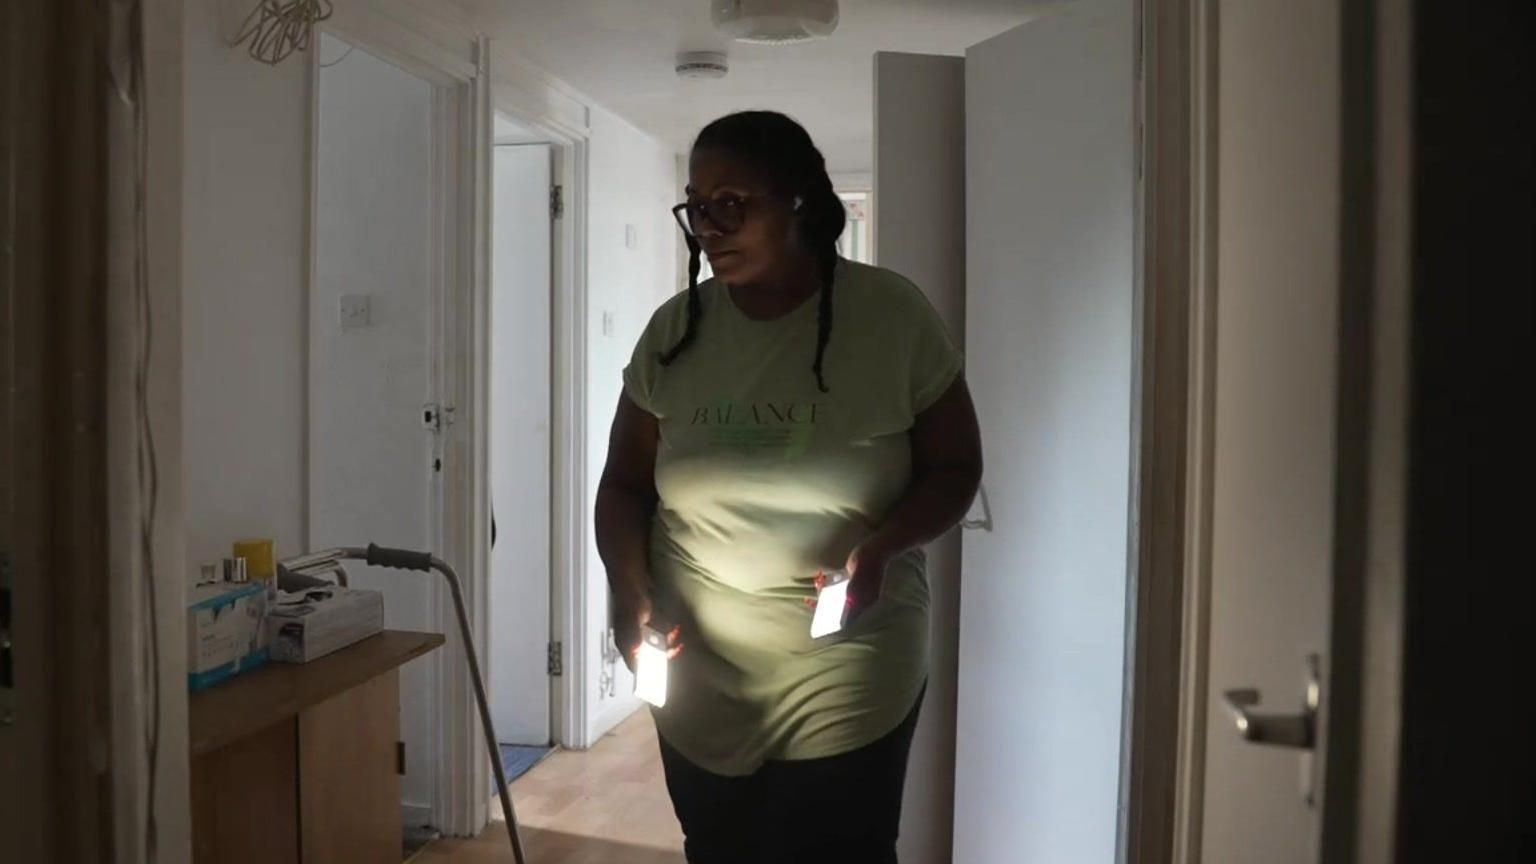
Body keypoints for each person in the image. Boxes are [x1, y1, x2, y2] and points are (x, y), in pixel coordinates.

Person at [595, 110, 983, 864]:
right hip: (696, 658)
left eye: (732, 202)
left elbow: (956, 469)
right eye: (696, 205)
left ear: (797, 200)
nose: (708, 224)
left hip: (846, 656)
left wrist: (882, 546)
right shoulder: (674, 333)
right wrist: (627, 592)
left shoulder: (891, 317)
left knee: (840, 850)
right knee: (718, 846)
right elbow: (623, 486)